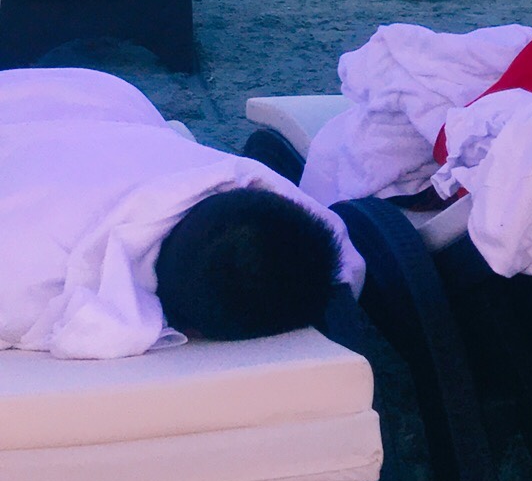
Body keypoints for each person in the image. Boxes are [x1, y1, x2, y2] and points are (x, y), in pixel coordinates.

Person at [0, 69, 358, 357]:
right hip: (100, 101)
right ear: (191, 331)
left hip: (96, 94)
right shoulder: (22, 279)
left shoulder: (22, 267)